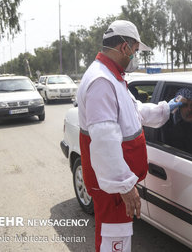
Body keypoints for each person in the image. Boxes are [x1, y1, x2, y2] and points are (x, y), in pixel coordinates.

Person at [76, 20, 181, 252]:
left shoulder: (113, 77)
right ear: (124, 48)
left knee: (117, 239)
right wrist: (125, 186)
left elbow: (135, 113)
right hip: (112, 189)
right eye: (135, 51)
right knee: (115, 242)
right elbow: (104, 141)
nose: (135, 56)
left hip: (114, 186)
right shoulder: (101, 81)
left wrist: (168, 107)